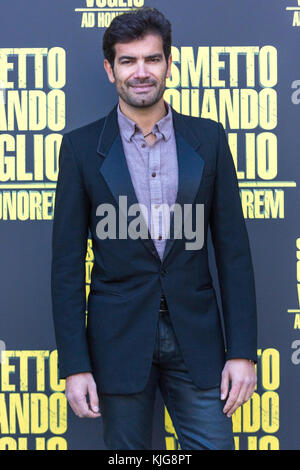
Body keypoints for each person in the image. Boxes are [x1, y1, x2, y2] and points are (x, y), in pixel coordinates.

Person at [51, 6, 257, 450]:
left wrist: (241, 352)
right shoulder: (81, 149)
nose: (141, 72)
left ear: (168, 63)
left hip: (198, 342)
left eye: (152, 59)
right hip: (117, 343)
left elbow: (234, 254)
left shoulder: (210, 139)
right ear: (110, 69)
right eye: (128, 61)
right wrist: (74, 365)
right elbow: (66, 269)